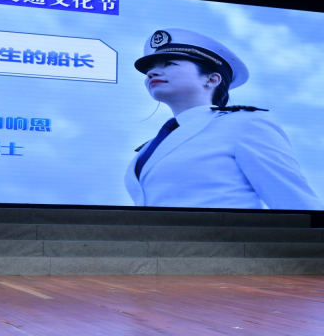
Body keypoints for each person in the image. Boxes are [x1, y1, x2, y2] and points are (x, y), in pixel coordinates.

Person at [124, 28, 322, 210]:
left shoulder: (245, 124)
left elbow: (297, 204)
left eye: (169, 63)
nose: (152, 73)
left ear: (212, 79)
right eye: (149, 70)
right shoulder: (150, 147)